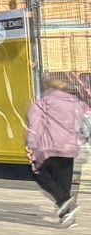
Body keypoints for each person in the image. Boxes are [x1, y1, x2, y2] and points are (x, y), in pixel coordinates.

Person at [26, 75, 86, 224]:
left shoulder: (41, 103)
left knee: (40, 176)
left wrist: (30, 144)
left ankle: (63, 201)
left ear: (46, 86)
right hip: (69, 148)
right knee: (63, 183)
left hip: (49, 148)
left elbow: (34, 126)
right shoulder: (74, 102)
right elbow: (80, 123)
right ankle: (68, 218)